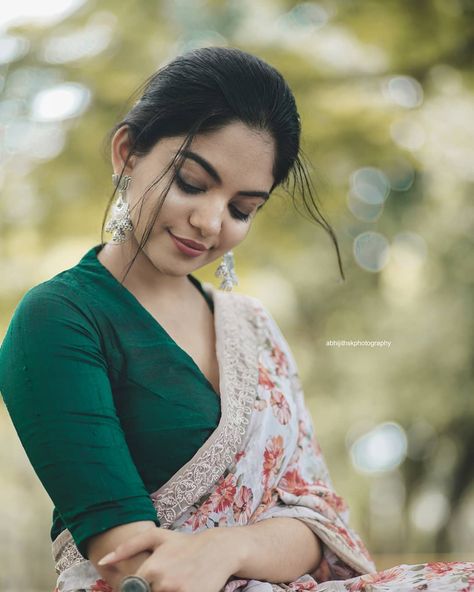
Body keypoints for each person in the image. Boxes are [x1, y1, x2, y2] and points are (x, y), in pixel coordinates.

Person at [0, 46, 472, 592]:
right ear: (128, 153)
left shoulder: (251, 327)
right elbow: (127, 559)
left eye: (242, 209)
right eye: (192, 184)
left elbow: (319, 526)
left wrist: (226, 548)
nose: (209, 222)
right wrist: (238, 554)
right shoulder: (60, 319)